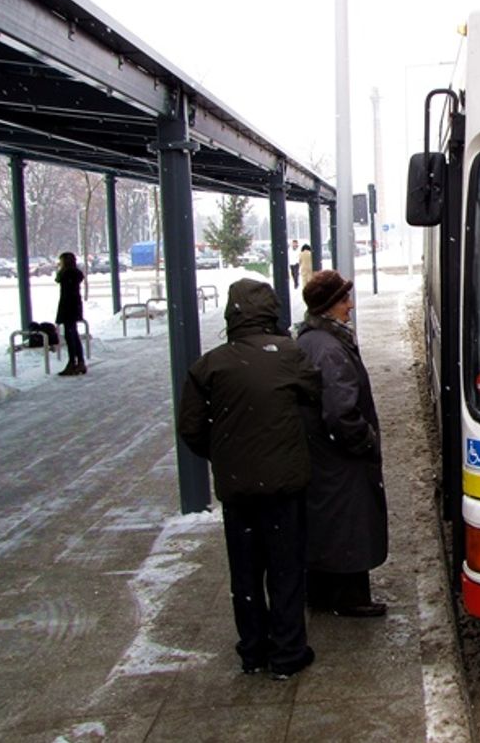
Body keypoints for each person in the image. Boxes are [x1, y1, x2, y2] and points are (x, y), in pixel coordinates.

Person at [178, 278, 321, 680]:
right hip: (283, 486)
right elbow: (314, 393)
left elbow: (190, 428)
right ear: (270, 312)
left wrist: (224, 454)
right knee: (285, 570)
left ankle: (253, 651)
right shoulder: (289, 354)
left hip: (238, 488)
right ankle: (288, 652)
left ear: (232, 315)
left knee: (245, 572)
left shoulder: (209, 365)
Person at [296, 270, 389, 618]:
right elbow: (340, 412)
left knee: (328, 522)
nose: (350, 305)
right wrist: (365, 440)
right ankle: (351, 597)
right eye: (343, 300)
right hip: (340, 457)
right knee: (350, 521)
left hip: (321, 453)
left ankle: (322, 592)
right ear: (328, 307)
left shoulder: (312, 341)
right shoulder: (330, 349)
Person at [55, 251, 86, 376]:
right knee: (74, 334)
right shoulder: (76, 273)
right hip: (75, 305)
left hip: (67, 306)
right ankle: (80, 362)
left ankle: (72, 362)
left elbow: (58, 279)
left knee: (70, 335)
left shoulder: (66, 274)